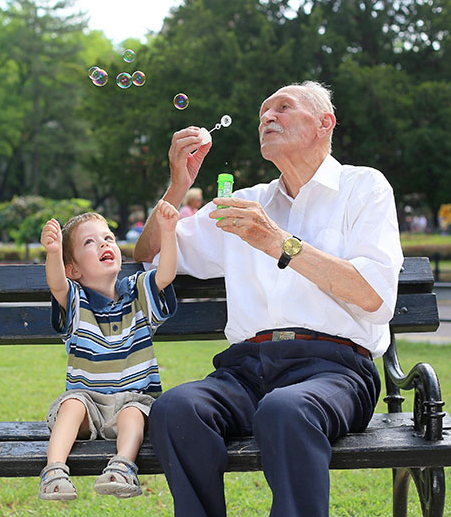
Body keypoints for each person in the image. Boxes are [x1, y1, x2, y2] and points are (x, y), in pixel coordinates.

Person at [134, 81, 402, 517]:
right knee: (175, 408)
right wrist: (177, 187)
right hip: (247, 369)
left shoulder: (363, 188)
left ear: (324, 123)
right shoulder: (243, 203)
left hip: (334, 369)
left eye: (282, 108)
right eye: (262, 114)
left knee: (285, 409)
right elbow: (148, 256)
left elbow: (373, 296)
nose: (267, 118)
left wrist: (278, 241)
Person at [38, 202, 179, 500]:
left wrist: (168, 232)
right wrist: (53, 252)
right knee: (71, 403)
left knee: (133, 412)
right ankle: (54, 471)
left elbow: (164, 275)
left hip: (132, 403)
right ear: (73, 269)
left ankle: (123, 466)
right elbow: (57, 285)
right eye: (90, 242)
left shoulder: (138, 293)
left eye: (108, 238)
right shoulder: (76, 302)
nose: (104, 243)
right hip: (89, 407)